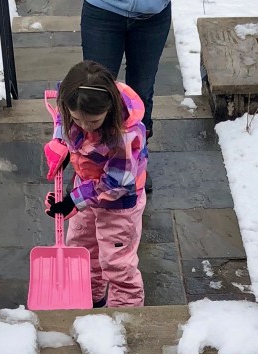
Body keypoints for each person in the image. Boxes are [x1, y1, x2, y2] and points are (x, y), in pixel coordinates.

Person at [43, 60, 147, 307]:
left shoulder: (124, 136)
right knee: (82, 248)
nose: (84, 126)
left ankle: (125, 316)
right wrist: (60, 144)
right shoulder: (72, 103)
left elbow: (116, 182)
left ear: (109, 110)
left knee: (117, 262)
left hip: (119, 204)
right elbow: (62, 120)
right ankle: (89, 298)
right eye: (77, 119)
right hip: (88, 190)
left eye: (92, 122)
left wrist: (73, 200)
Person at [80, 0, 172, 190]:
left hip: (153, 16)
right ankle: (91, 163)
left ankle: (135, 161)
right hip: (102, 11)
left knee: (142, 93)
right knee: (96, 91)